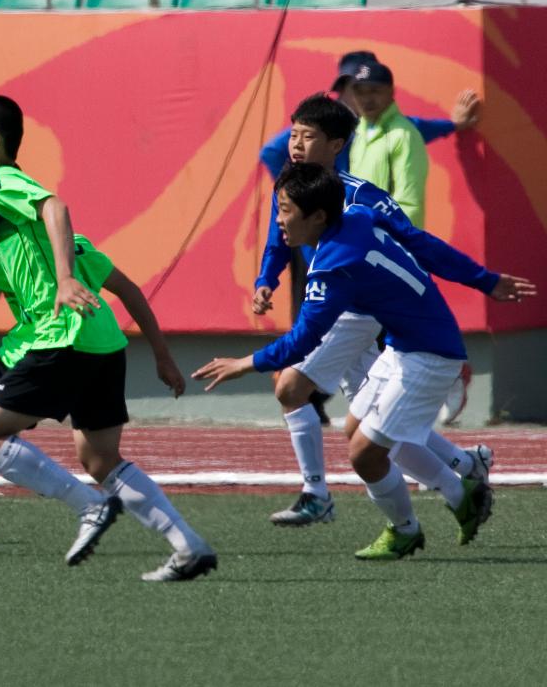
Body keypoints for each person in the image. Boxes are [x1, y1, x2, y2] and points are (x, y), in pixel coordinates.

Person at [0, 95, 215, 580]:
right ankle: (189, 546)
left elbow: (55, 205)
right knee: (100, 457)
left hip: (61, 337)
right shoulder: (2, 236)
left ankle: (87, 507)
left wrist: (64, 279)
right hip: (102, 343)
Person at [195, 164, 535, 559]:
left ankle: (405, 530)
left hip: (430, 356)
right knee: (359, 427)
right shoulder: (358, 213)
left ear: (318, 216)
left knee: (364, 454)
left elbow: (302, 342)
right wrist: (484, 280)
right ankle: (463, 489)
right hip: (404, 345)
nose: (278, 219)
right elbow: (423, 244)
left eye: (284, 209)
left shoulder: (332, 267)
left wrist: (244, 363)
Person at [254, 94, 496, 527]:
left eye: (308, 137)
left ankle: (316, 495)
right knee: (371, 418)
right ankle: (463, 466)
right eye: (294, 134)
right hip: (342, 306)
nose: (295, 144)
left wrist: (482, 279)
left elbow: (414, 241)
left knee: (290, 388)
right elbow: (277, 239)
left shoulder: (362, 197)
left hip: (357, 311)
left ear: (337, 144)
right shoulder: (293, 186)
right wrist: (264, 282)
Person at [258, 50, 481, 180]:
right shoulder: (324, 120)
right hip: (319, 230)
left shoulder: (377, 125)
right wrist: (305, 190)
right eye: (356, 88)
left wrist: (453, 124)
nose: (363, 97)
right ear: (342, 89)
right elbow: (271, 152)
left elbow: (415, 128)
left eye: (370, 89)